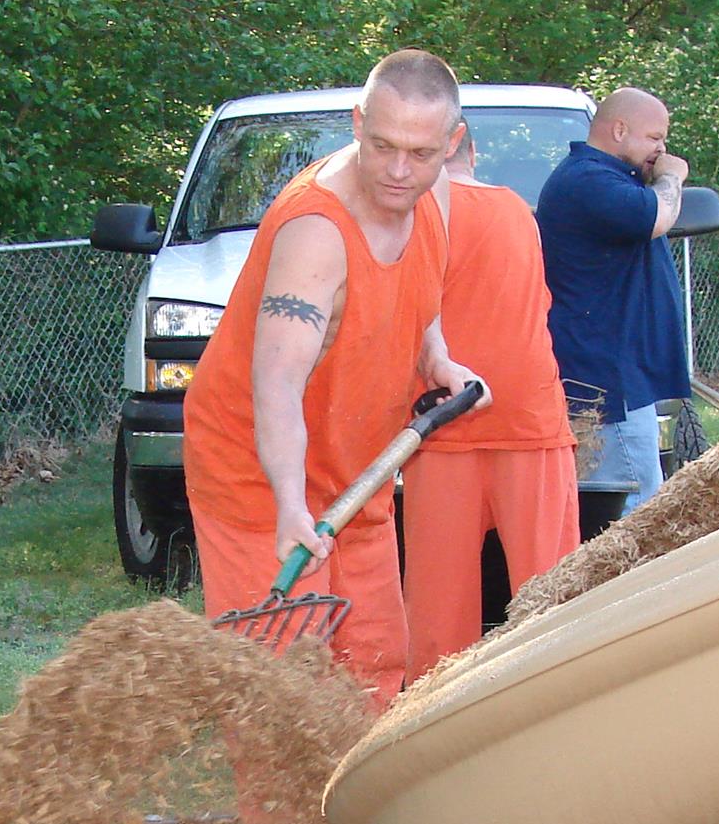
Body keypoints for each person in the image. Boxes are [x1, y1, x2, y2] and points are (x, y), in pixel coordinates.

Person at [182, 49, 484, 707]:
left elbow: (419, 298)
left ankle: (353, 809)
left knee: (374, 659)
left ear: (451, 144)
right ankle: (282, 814)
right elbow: (277, 383)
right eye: (382, 146)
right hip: (259, 477)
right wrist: (289, 503)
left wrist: (434, 357)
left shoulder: (435, 196)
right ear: (356, 122)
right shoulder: (317, 233)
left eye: (420, 152)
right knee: (279, 689)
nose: (399, 171)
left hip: (356, 469)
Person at [401, 130, 579, 681]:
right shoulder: (517, 213)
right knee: (553, 590)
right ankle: (561, 692)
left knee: (437, 605)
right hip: (528, 417)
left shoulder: (405, 218)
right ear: (472, 153)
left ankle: (430, 715)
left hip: (440, 419)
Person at [535, 86, 691, 516]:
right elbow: (658, 215)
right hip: (606, 389)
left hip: (616, 382)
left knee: (623, 504)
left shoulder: (605, 180)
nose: (661, 151)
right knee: (634, 510)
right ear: (619, 129)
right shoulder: (588, 180)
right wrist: (673, 176)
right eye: (654, 138)